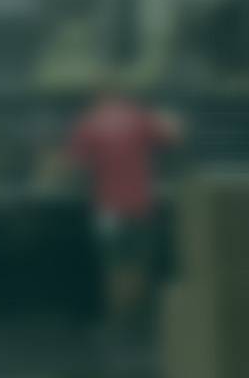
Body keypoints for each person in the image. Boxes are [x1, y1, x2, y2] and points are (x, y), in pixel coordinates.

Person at [68, 83, 180, 336]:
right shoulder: (140, 118)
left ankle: (120, 322)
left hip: (108, 210)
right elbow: (173, 138)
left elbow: (77, 165)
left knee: (114, 267)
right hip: (140, 205)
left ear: (97, 97)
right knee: (139, 263)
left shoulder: (89, 124)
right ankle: (137, 320)